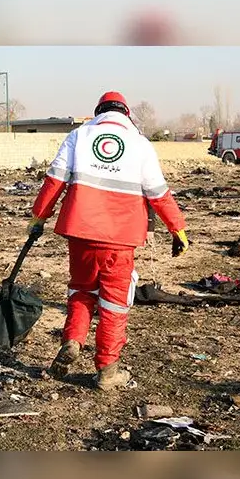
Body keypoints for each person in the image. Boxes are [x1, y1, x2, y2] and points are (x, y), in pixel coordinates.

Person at [28, 91, 188, 390]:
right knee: (114, 304)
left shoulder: (79, 136)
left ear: (98, 113)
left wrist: (39, 217)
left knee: (81, 290)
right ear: (126, 114)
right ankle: (107, 370)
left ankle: (73, 341)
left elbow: (54, 181)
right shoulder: (140, 144)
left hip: (81, 233)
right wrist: (177, 229)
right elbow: (158, 192)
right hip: (120, 238)